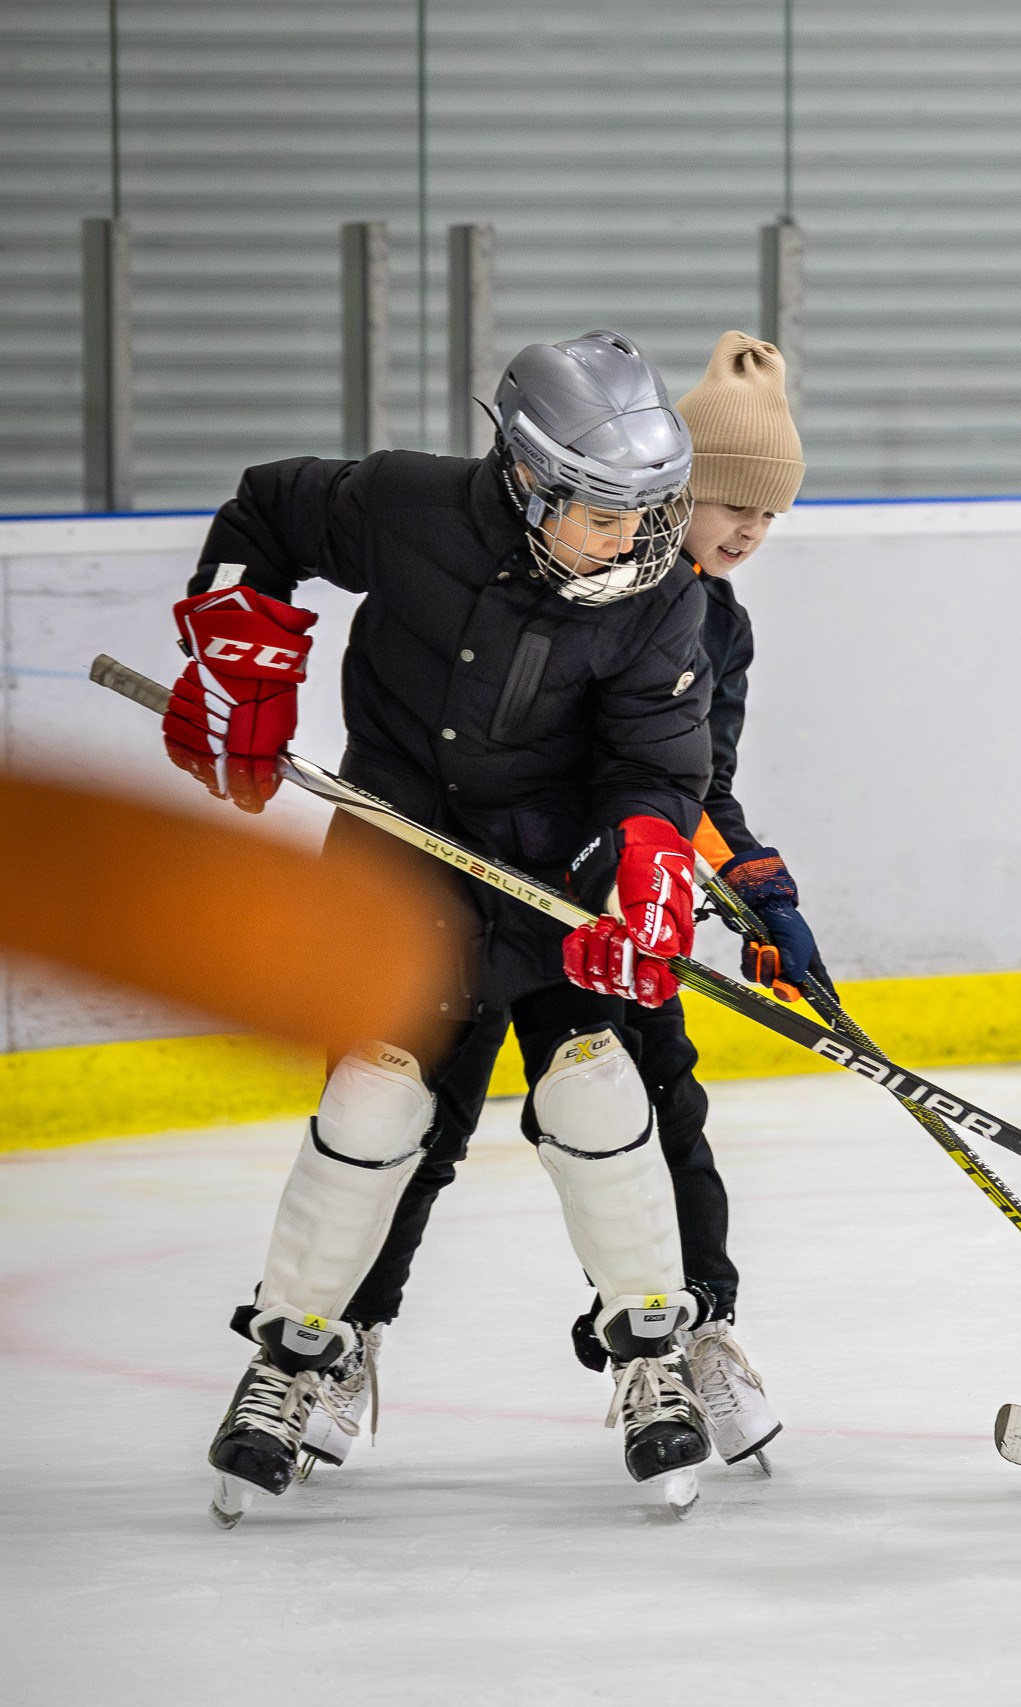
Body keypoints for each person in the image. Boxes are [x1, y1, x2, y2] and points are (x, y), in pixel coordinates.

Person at [169, 330, 720, 1520]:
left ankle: (651, 1359)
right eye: (600, 512)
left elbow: (655, 765)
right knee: (374, 1098)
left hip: (552, 873)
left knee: (593, 1088)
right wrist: (239, 650)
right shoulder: (405, 507)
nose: (634, 539)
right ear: (525, 477)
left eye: (650, 510)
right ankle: (292, 1360)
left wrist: (640, 857)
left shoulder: (658, 598)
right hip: (395, 859)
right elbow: (264, 514)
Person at [310, 333, 814, 1478]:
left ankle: (687, 1331)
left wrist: (754, 887)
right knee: (414, 1117)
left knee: (644, 1110)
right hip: (463, 881)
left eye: (769, 516)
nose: (745, 531)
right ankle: (342, 1336)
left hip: (596, 906)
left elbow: (694, 780)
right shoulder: (547, 567)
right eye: (725, 503)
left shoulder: (710, 619)